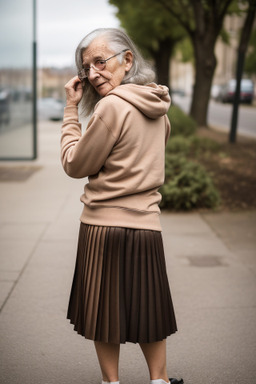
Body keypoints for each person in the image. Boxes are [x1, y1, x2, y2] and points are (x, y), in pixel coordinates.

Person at [61, 28, 183, 384]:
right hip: (147, 226)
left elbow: (75, 164)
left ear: (127, 60)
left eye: (101, 61)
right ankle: (158, 380)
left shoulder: (111, 107)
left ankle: (111, 383)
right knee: (149, 309)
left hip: (102, 227)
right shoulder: (160, 109)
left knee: (104, 312)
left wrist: (71, 111)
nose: (94, 73)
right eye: (87, 68)